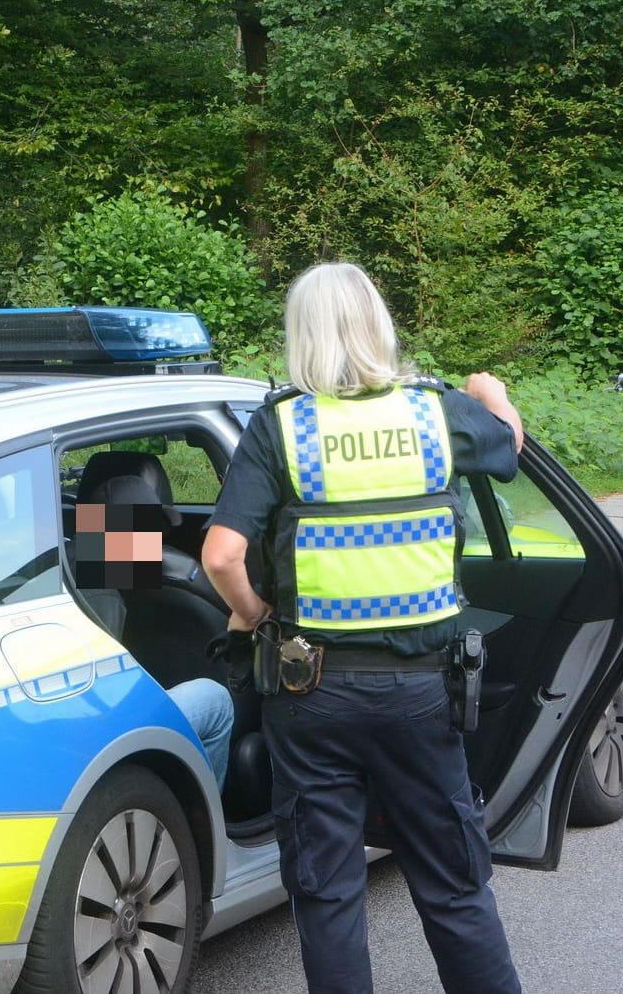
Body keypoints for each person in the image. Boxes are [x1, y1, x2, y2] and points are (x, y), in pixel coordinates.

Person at [200, 262, 525, 994]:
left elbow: (221, 554)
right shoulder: (434, 412)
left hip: (310, 693)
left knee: (328, 893)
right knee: (454, 885)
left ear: (301, 335)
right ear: (379, 324)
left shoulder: (283, 424)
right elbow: (508, 446)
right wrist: (490, 392)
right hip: (421, 695)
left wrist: (255, 618)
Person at [74, 479, 234, 793]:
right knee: (215, 701)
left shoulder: (68, 558)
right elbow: (110, 697)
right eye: (153, 532)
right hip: (98, 735)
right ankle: (205, 826)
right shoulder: (103, 600)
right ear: (128, 535)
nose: (160, 543)